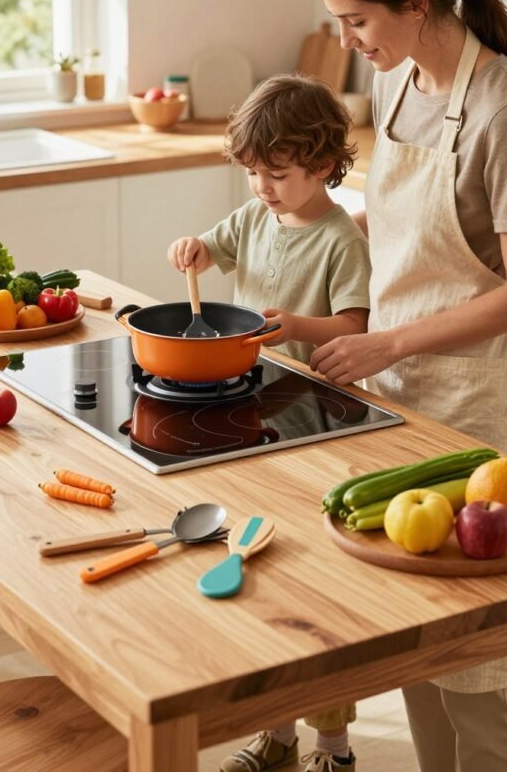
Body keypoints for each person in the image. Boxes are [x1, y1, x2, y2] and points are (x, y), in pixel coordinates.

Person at [308, 0, 507, 772]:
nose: (347, 38)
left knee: (480, 657)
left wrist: (389, 344)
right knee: (415, 634)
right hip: (395, 392)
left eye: (355, 20)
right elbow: (394, 226)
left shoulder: (504, 109)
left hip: (475, 399)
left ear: (411, 2)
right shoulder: (394, 80)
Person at [168, 73, 370, 772]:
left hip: (317, 419)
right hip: (254, 410)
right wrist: (192, 248)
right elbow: (214, 248)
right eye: (252, 173)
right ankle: (278, 736)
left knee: (313, 592)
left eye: (276, 174)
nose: (261, 187)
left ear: (321, 164)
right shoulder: (255, 216)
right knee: (260, 580)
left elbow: (351, 325)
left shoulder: (340, 238)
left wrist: (296, 326)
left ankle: (334, 748)